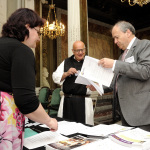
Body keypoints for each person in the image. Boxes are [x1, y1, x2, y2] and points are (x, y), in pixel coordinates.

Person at [0, 8, 58, 150]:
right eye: (38, 32)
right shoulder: (21, 50)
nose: (39, 38)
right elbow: (25, 100)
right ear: (27, 27)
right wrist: (49, 121)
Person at [98, 20, 150, 131]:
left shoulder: (144, 45)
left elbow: (145, 71)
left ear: (128, 32)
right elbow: (117, 82)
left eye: (117, 37)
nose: (115, 42)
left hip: (141, 112)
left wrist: (115, 64)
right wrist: (98, 86)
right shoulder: (122, 55)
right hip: (124, 112)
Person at [52, 41, 94, 125]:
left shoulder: (90, 62)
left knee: (84, 130)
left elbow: (97, 79)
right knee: (66, 128)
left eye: (82, 50)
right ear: (73, 51)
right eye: (78, 50)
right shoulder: (66, 62)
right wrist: (66, 73)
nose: (80, 52)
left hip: (84, 101)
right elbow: (55, 76)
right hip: (68, 101)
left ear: (85, 50)